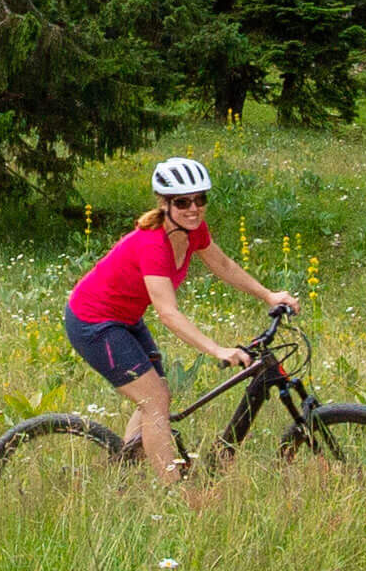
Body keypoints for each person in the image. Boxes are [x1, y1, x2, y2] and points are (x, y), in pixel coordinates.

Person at [61, 157, 300, 478]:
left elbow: (223, 265)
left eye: (200, 199)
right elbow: (168, 313)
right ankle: (174, 493)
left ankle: (126, 468)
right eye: (183, 201)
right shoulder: (151, 243)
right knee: (154, 399)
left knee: (157, 395)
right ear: (164, 203)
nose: (194, 208)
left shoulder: (193, 231)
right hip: (92, 322)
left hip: (126, 318)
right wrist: (217, 350)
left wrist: (269, 295)